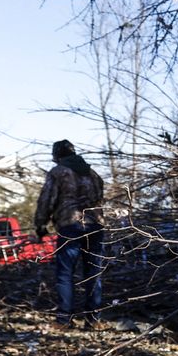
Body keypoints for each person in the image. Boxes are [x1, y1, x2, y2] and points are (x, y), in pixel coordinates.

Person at [34, 139, 106, 328]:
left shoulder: (58, 172)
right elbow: (100, 196)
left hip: (71, 225)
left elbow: (46, 200)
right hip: (96, 225)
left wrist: (40, 225)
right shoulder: (93, 173)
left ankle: (64, 320)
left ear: (57, 155)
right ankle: (94, 320)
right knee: (93, 273)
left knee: (65, 274)